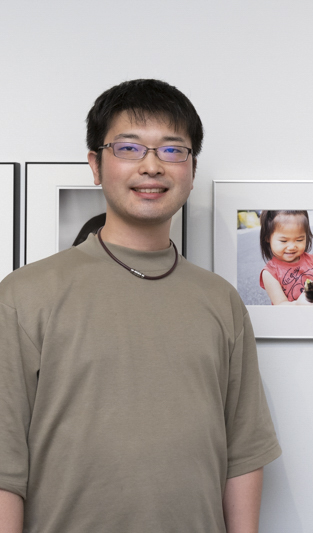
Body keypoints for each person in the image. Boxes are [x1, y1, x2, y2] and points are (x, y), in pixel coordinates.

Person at [0, 79, 281, 533]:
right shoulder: (26, 293)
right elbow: (3, 464)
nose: (152, 166)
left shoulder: (220, 300)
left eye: (173, 150)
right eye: (129, 148)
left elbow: (244, 451)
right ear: (96, 164)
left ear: (191, 168)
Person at [258, 210, 313, 305]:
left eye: (299, 240)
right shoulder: (269, 273)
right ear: (267, 237)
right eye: (283, 241)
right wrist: (298, 304)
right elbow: (280, 304)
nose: (292, 247)